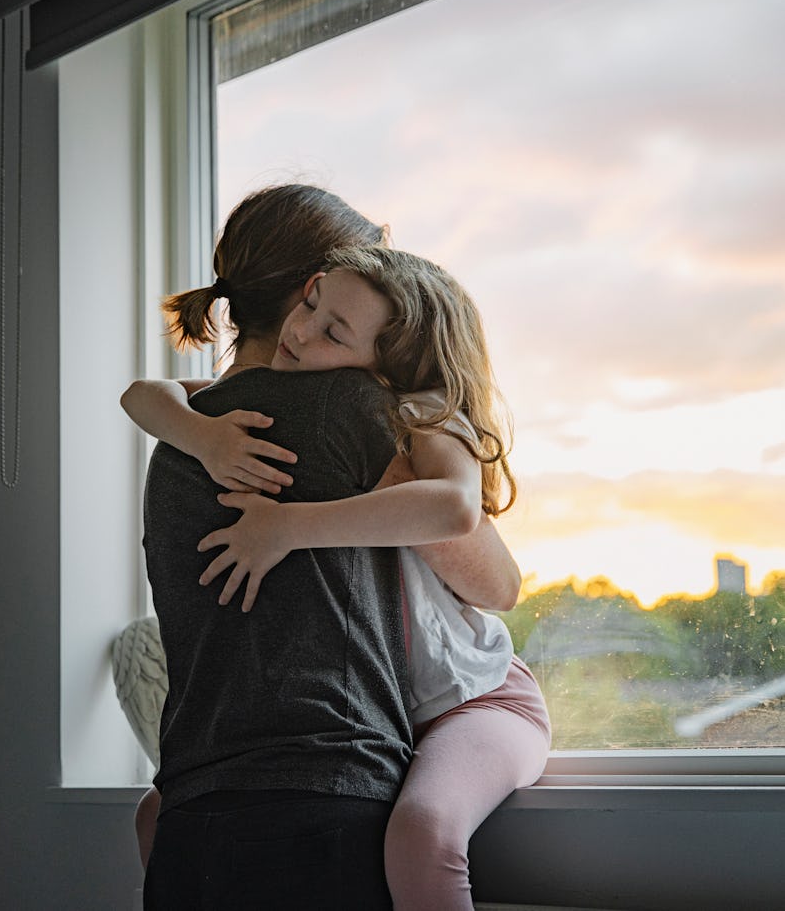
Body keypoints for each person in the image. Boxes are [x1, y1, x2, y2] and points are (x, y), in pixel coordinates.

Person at [125, 240, 550, 910]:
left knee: (422, 831)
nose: (300, 332)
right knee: (158, 812)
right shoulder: (294, 402)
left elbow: (457, 508)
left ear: (387, 365)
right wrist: (200, 436)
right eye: (311, 303)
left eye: (333, 332)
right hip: (397, 717)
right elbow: (144, 394)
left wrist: (287, 528)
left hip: (479, 701)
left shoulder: (420, 415)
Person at [137, 185, 413, 910]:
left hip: (190, 812)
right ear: (310, 294)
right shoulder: (352, 408)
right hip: (322, 800)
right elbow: (491, 578)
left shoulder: (181, 438)